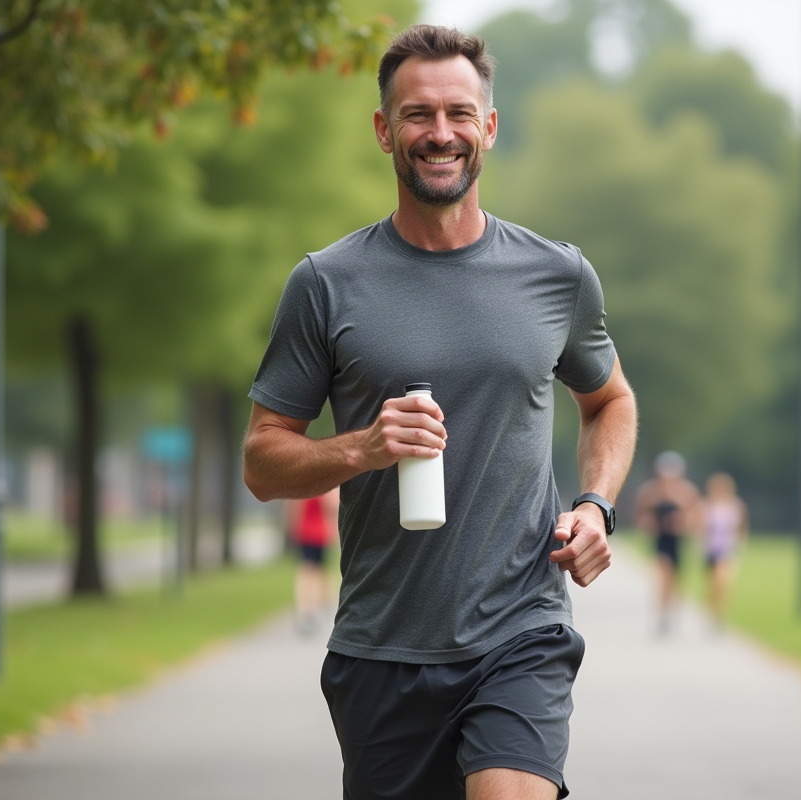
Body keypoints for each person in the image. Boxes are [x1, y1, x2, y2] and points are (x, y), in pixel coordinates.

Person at [240, 24, 638, 800]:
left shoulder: (557, 276)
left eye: (460, 112)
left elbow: (610, 400)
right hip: (382, 647)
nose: (440, 132)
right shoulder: (325, 283)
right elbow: (262, 461)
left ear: (488, 127)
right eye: (418, 114)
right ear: (385, 131)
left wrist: (596, 505)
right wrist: (360, 448)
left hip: (520, 629)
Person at [634, 451, 699, 636]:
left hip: (677, 540)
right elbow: (641, 517)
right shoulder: (650, 491)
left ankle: (671, 610)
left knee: (675, 580)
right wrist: (648, 524)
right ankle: (662, 615)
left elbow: (695, 517)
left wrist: (682, 522)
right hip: (660, 540)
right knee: (663, 575)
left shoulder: (687, 491)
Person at [697, 471, 749, 630]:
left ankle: (719, 615)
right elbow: (699, 527)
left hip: (728, 549)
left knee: (724, 582)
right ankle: (712, 613)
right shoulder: (706, 506)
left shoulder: (736, 506)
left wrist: (740, 543)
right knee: (713, 585)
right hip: (710, 549)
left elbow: (742, 526)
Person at [286, 487, 339, 635]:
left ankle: (307, 609)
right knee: (315, 573)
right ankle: (312, 609)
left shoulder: (302, 489)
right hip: (317, 534)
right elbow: (332, 507)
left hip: (308, 533)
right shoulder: (324, 487)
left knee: (307, 572)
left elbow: (294, 510)